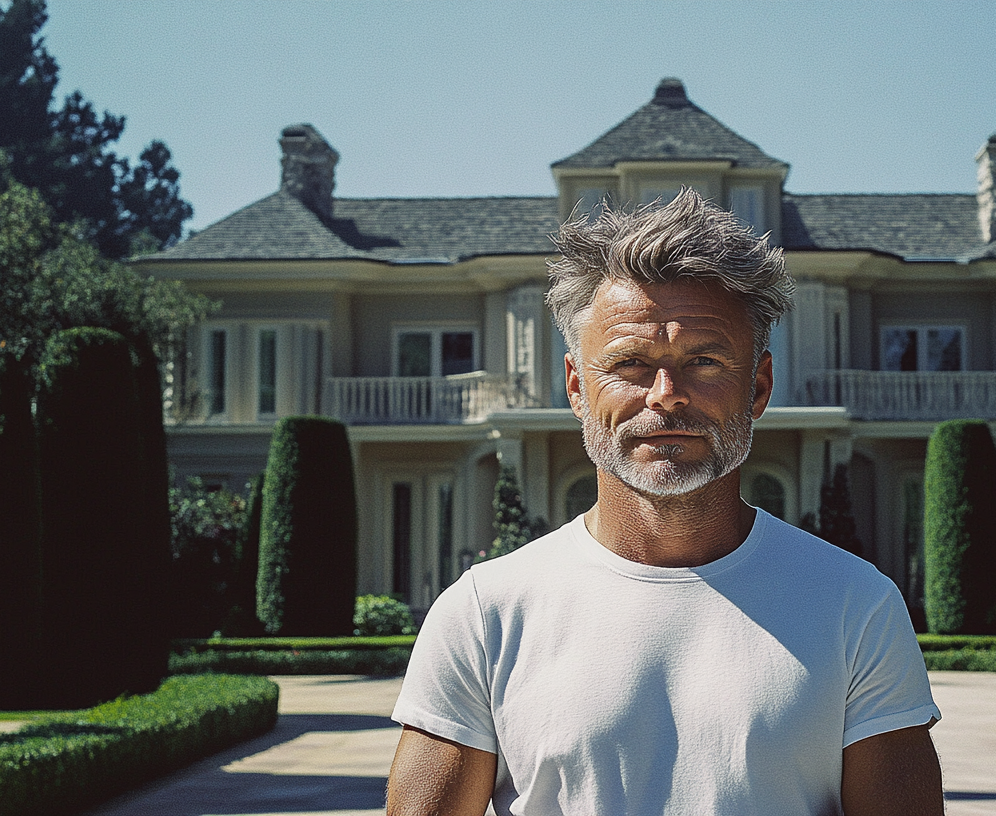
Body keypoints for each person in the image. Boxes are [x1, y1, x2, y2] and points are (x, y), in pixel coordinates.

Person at [387, 188, 944, 816]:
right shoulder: (484, 613)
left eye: (704, 361)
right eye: (629, 363)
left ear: (758, 386)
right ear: (576, 387)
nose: (666, 395)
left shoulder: (856, 605)